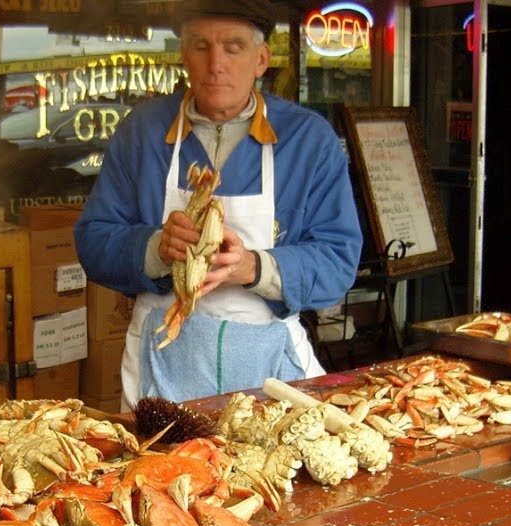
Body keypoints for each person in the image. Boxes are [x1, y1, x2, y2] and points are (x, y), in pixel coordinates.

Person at [73, 0, 362, 409]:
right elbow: (93, 239)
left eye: (233, 46)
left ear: (261, 59)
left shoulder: (308, 139)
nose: (216, 64)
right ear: (183, 55)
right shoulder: (142, 130)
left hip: (270, 373)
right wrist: (155, 250)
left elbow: (338, 261)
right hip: (162, 367)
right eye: (201, 46)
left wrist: (253, 267)